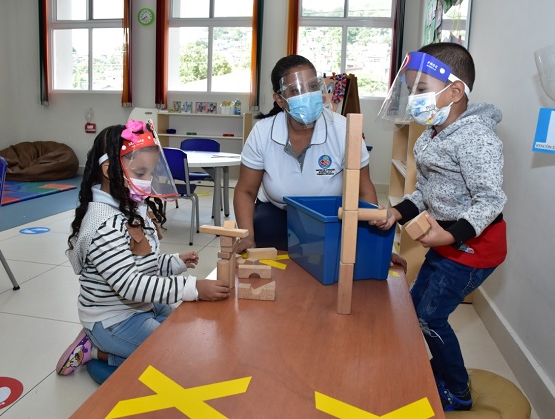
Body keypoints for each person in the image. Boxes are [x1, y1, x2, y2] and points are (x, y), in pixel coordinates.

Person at [378, 43, 507, 411]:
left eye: (420, 90)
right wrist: (397, 213)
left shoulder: (476, 137)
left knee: (430, 316)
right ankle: (439, 369)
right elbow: (424, 192)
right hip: (446, 242)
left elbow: (490, 200)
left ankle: (459, 391)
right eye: (411, 91)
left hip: (474, 249)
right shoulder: (430, 135)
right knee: (416, 305)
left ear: (454, 91)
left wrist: (450, 235)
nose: (414, 99)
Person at [55, 120, 230, 384]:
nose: (147, 182)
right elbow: (130, 284)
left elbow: (140, 265)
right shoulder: (103, 224)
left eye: (150, 173)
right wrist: (192, 288)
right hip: (112, 318)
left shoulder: (130, 208)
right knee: (173, 353)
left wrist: (172, 262)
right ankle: (95, 351)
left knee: (182, 331)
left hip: (139, 306)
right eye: (140, 172)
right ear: (108, 170)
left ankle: (112, 346)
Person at [234, 54, 388, 254]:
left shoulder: (344, 130)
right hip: (277, 214)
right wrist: (247, 236)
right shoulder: (263, 131)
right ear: (280, 100)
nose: (307, 95)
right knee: (267, 241)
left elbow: (364, 191)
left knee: (333, 258)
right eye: (296, 90)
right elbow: (246, 191)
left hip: (330, 216)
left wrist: (369, 241)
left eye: (313, 87)